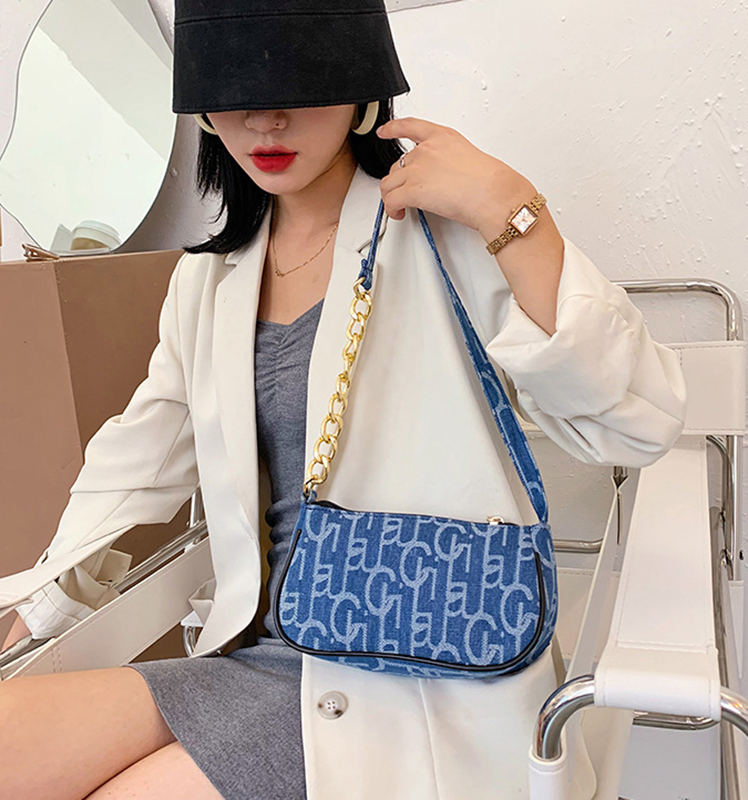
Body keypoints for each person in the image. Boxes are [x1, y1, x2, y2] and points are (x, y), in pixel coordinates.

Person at [0, 1, 687, 799]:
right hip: (254, 656)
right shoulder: (207, 280)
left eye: (301, 85)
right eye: (234, 89)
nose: (266, 118)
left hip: (414, 677)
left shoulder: (446, 233)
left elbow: (635, 424)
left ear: (362, 91)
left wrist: (512, 210)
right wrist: (35, 610)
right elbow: (137, 456)